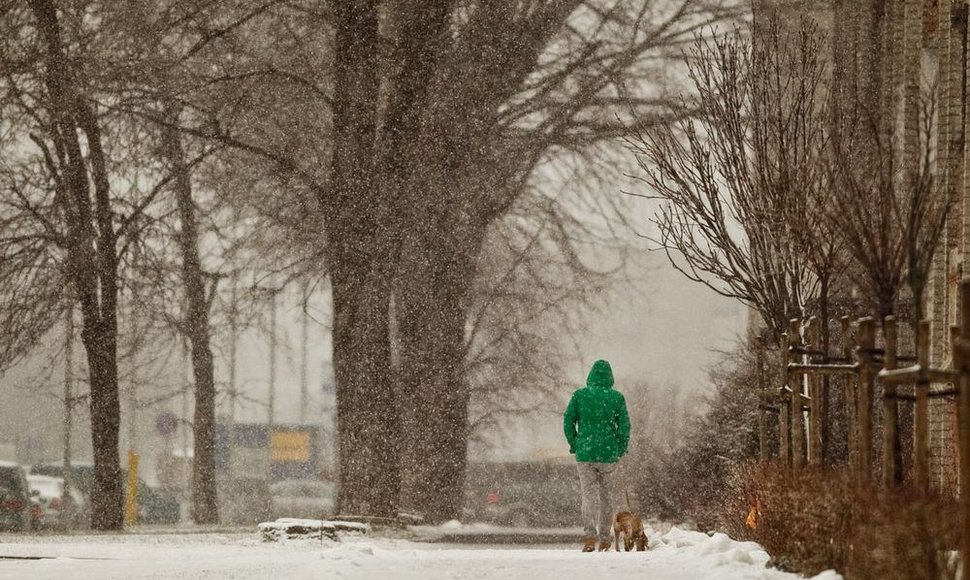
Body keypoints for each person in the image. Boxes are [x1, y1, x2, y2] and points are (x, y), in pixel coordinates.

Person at [563, 359, 631, 552]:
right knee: (606, 498)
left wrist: (574, 443)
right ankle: (605, 537)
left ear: (591, 376)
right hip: (608, 454)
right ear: (610, 377)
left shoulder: (579, 395)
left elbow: (568, 420)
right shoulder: (617, 398)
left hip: (585, 453)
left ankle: (589, 536)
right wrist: (620, 447)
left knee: (588, 496)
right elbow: (625, 426)